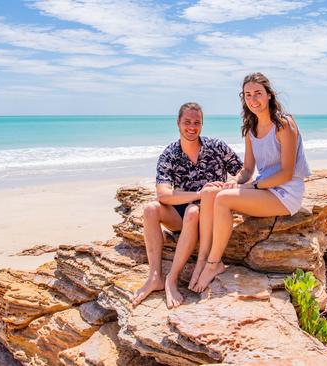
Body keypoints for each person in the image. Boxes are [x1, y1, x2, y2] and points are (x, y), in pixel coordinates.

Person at [189, 72, 312, 293]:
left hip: (285, 194)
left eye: (258, 93)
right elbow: (247, 169)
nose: (253, 100)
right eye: (248, 95)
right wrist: (234, 182)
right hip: (265, 189)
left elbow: (286, 173)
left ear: (269, 95)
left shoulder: (284, 124)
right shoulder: (251, 128)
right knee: (210, 192)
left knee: (224, 200)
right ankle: (202, 260)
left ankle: (213, 263)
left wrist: (250, 187)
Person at [131, 102, 242, 308]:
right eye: (187, 122)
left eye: (197, 122)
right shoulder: (170, 154)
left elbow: (242, 171)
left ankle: (171, 279)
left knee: (193, 210)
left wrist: (232, 183)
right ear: (178, 123)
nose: (192, 127)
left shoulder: (216, 147)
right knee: (150, 209)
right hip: (182, 210)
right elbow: (163, 194)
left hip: (211, 212)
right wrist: (198, 193)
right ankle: (155, 276)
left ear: (202, 124)